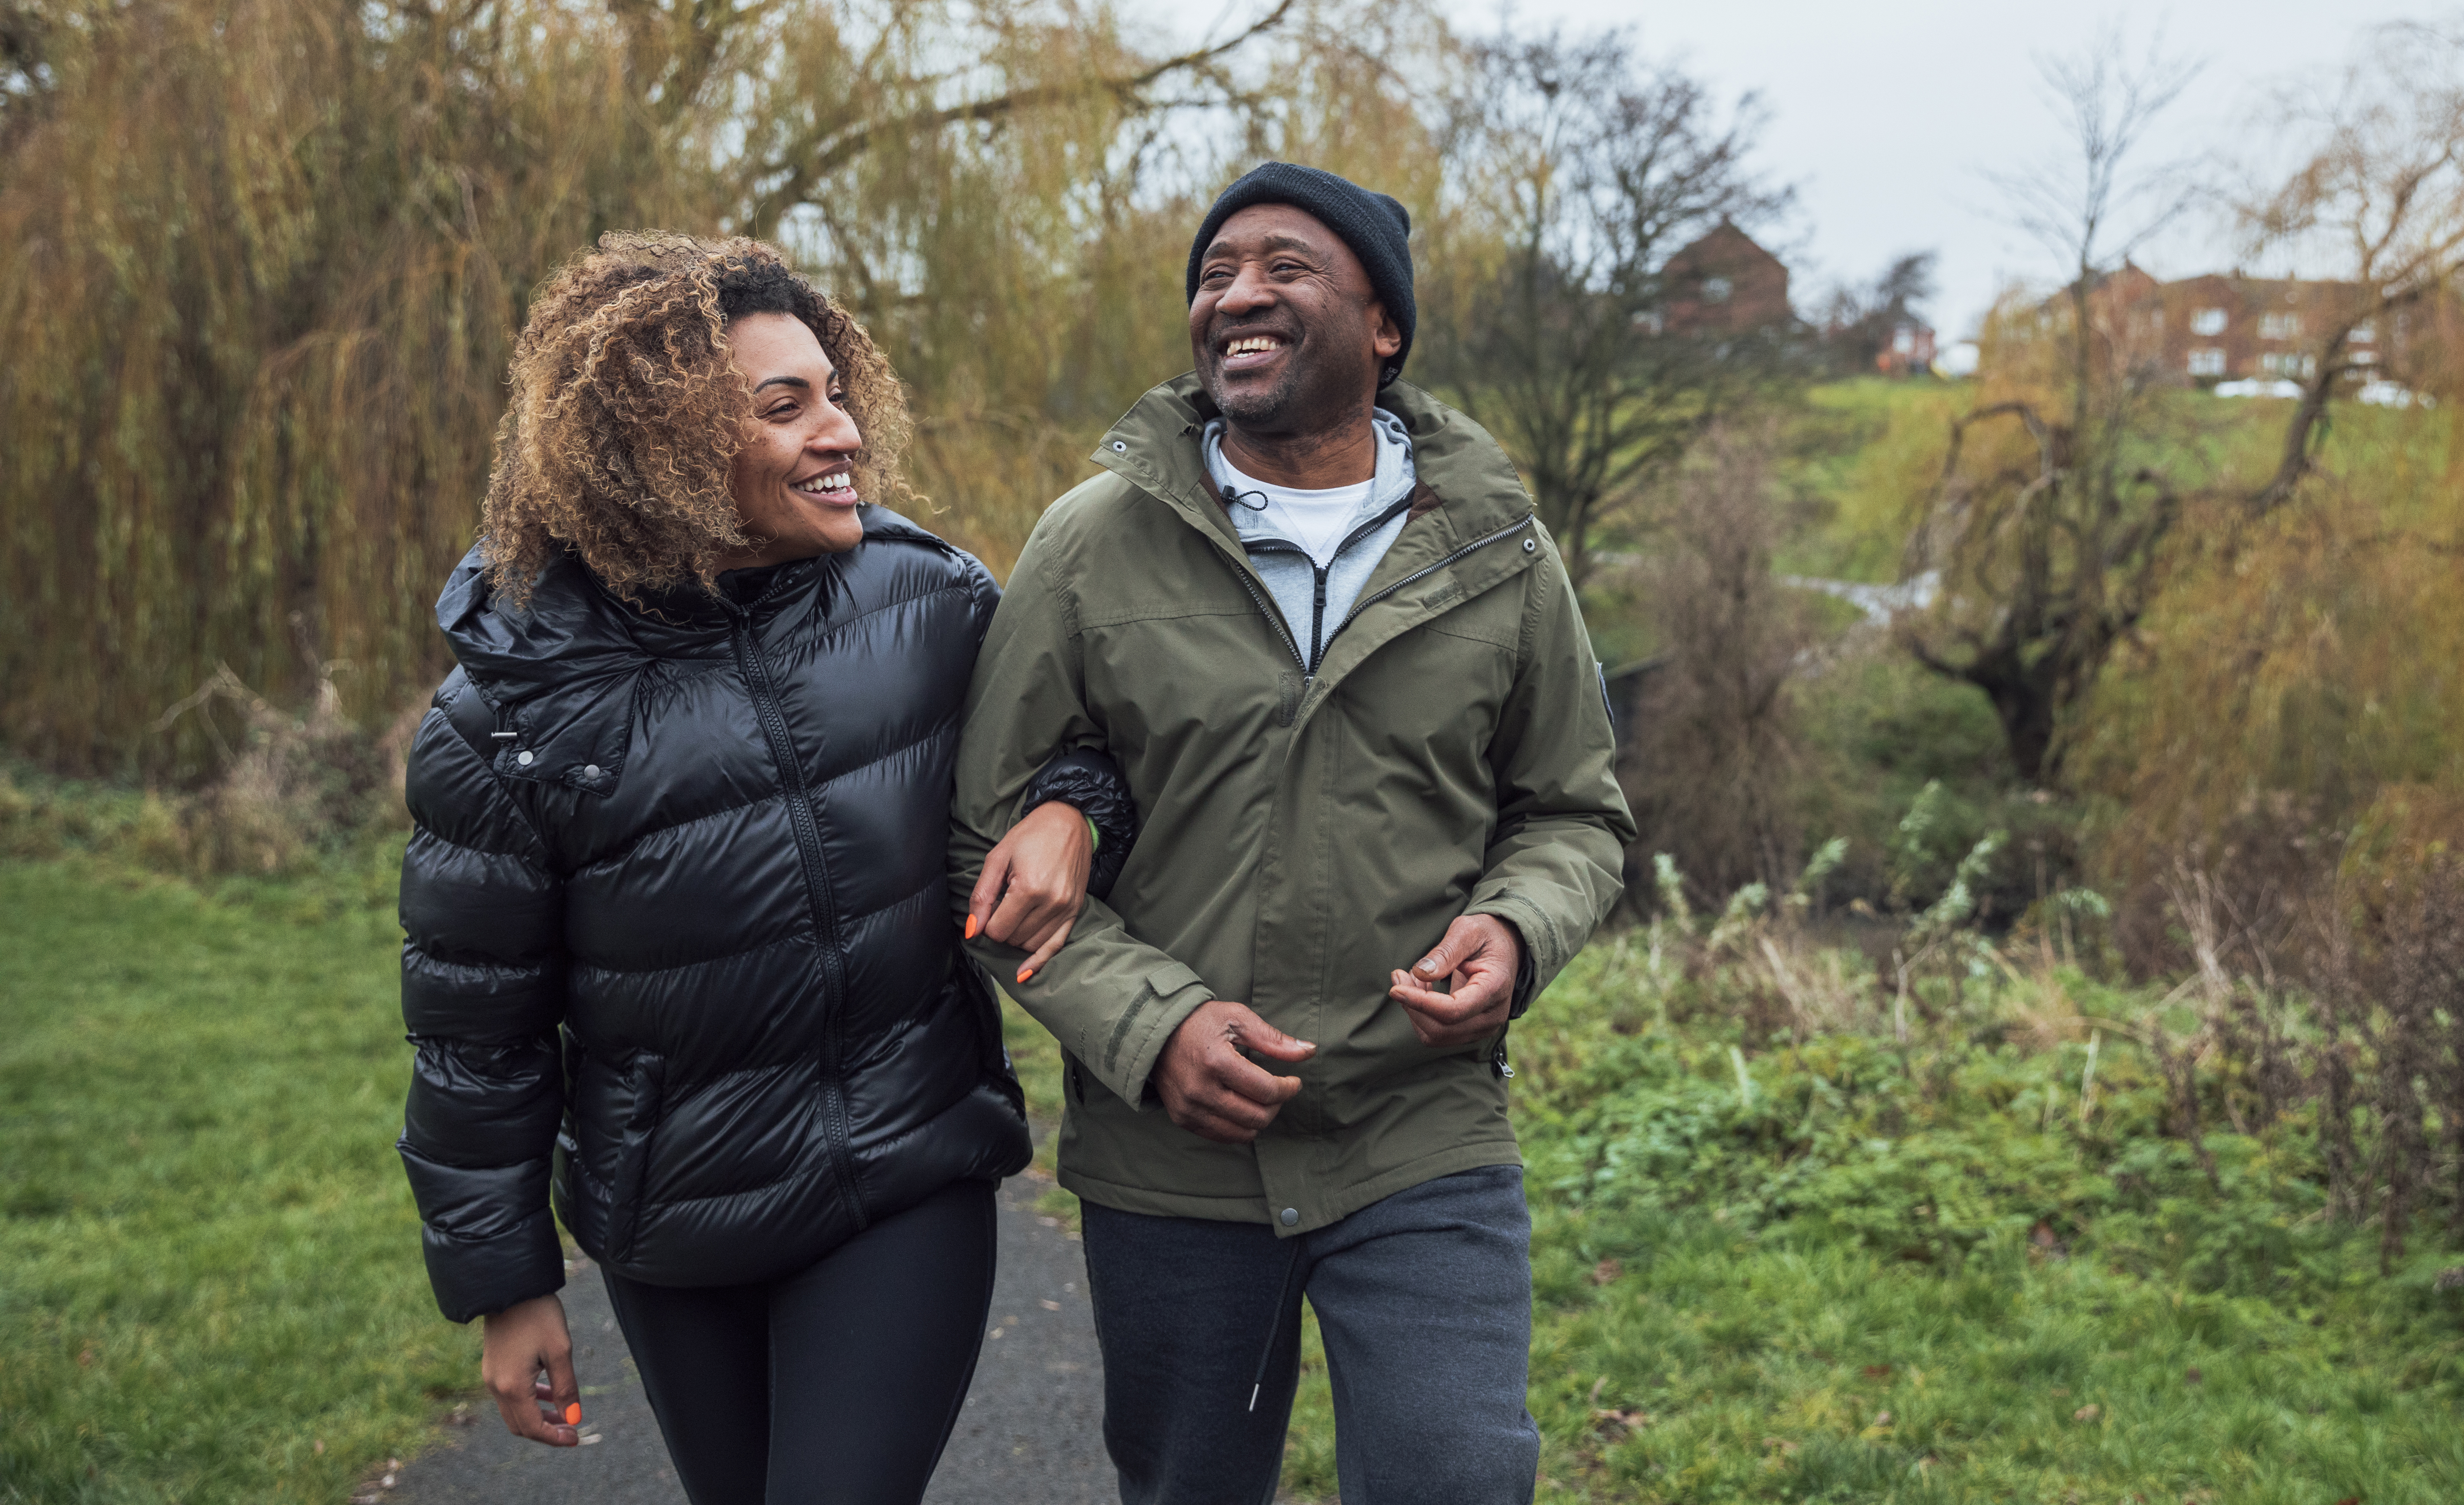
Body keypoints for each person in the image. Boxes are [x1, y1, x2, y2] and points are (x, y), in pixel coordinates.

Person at [396, 234, 1130, 1505]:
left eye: (835, 391)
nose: (839, 430)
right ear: (656, 450)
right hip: (672, 1222)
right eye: (783, 407)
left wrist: (1073, 803)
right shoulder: (510, 707)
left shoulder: (929, 600)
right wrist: (507, 1287)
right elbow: (477, 1029)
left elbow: (1092, 736)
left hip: (906, 1172)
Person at [951, 163, 1635, 1505]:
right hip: (1172, 1161)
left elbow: (1573, 813)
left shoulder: (1498, 548)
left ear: (1384, 327)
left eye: (1285, 267)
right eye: (1214, 275)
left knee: (1457, 1477)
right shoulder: (1091, 545)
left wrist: (1514, 930)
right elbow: (981, 833)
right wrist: (1153, 1033)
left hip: (1420, 1130)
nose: (1239, 296)